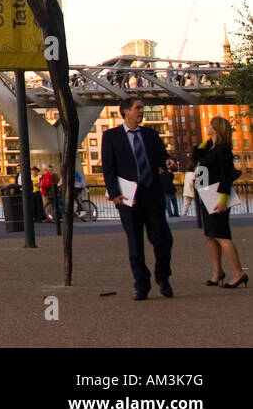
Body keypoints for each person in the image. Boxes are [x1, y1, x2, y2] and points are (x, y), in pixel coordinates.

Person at [101, 97, 176, 300]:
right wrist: (114, 193)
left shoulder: (150, 134)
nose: (141, 111)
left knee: (163, 240)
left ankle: (163, 277)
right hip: (128, 197)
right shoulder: (111, 137)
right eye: (138, 108)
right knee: (135, 243)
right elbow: (108, 168)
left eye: (142, 108)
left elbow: (163, 155)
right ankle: (141, 284)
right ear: (125, 112)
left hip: (153, 194)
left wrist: (168, 162)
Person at [193, 117, 246, 289]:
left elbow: (226, 175)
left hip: (217, 197)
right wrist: (208, 141)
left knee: (222, 235)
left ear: (216, 128)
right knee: (210, 235)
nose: (206, 126)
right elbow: (196, 156)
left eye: (210, 125)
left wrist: (223, 200)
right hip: (206, 194)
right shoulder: (211, 148)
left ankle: (239, 272)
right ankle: (218, 272)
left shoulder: (223, 150)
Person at [162, 148, 179, 218]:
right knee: (175, 203)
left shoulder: (161, 176)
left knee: (168, 204)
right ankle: (176, 213)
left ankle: (170, 214)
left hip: (165, 191)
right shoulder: (170, 174)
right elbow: (172, 178)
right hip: (172, 190)